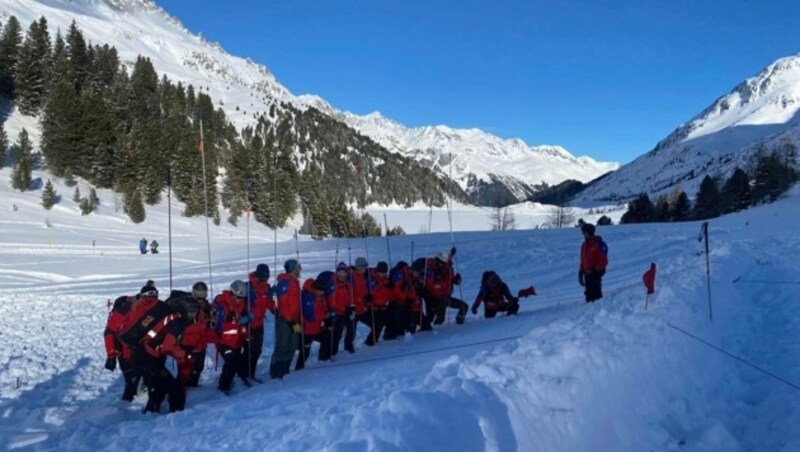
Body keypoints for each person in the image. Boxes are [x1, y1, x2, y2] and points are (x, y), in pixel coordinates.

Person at [116, 286, 189, 413]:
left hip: (139, 354)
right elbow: (168, 345)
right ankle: (177, 414)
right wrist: (182, 356)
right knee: (171, 385)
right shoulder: (170, 316)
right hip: (148, 356)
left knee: (156, 384)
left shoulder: (143, 308)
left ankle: (151, 410)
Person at [165, 282, 213, 387]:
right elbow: (183, 328)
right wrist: (202, 326)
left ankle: (193, 388)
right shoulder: (186, 306)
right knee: (185, 371)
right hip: (187, 343)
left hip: (200, 343)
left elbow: (206, 321)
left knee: (198, 369)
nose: (202, 296)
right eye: (200, 293)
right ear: (194, 292)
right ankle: (179, 392)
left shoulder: (205, 305)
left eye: (204, 293)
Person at [212, 280, 250, 394]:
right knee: (230, 361)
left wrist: (244, 331)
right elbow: (216, 325)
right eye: (238, 297)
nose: (240, 300)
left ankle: (239, 378)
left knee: (239, 359)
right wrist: (235, 322)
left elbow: (243, 322)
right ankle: (223, 386)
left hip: (237, 339)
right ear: (232, 293)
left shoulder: (242, 304)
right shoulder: (222, 305)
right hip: (223, 340)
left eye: (242, 298)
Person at [103, 295, 141, 402]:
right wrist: (111, 356)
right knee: (132, 381)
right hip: (126, 354)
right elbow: (109, 333)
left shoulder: (140, 309)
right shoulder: (122, 311)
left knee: (139, 379)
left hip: (138, 352)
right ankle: (126, 407)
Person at [270, 259, 302, 379]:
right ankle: (276, 371)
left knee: (292, 345)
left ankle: (285, 368)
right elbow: (283, 305)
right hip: (285, 320)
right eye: (298, 268)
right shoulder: (284, 283)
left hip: (294, 319)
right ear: (293, 269)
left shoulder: (295, 282)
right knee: (282, 345)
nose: (300, 270)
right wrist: (290, 320)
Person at [296, 271, 334, 370]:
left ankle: (324, 359)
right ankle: (298, 369)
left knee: (327, 337)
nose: (323, 293)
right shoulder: (307, 296)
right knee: (305, 351)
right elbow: (310, 315)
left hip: (317, 328)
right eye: (322, 291)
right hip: (306, 329)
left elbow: (324, 309)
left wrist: (327, 318)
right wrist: (324, 317)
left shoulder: (320, 296)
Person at [244, 264, 275, 382]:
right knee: (248, 351)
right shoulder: (248, 287)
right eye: (263, 277)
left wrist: (275, 310)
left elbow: (269, 305)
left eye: (267, 277)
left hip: (259, 324)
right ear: (257, 275)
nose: (265, 280)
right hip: (248, 325)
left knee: (257, 350)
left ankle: (251, 374)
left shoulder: (267, 288)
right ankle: (244, 374)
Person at [424, 248, 468, 325]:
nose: (444, 265)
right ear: (437, 261)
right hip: (437, 299)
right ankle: (435, 331)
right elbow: (432, 286)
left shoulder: (447, 268)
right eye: (442, 263)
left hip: (446, 298)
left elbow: (453, 278)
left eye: (445, 263)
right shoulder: (432, 270)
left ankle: (459, 324)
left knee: (464, 307)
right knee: (439, 319)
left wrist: (457, 280)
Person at [330, 262, 357, 354]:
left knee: (351, 329)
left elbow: (351, 297)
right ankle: (333, 352)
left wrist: (352, 307)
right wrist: (344, 309)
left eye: (344, 273)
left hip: (347, 310)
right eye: (340, 273)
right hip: (337, 312)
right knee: (337, 333)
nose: (342, 275)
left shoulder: (348, 284)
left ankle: (349, 346)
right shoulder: (333, 284)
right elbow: (332, 302)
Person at [363, 261, 392, 346]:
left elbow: (388, 293)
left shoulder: (386, 280)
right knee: (377, 325)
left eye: (384, 272)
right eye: (381, 272)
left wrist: (389, 287)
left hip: (383, 306)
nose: (383, 274)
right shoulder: (371, 279)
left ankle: (389, 339)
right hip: (373, 307)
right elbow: (368, 291)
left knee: (390, 321)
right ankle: (370, 343)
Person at [579, 223, 609, 303]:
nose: (583, 234)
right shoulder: (584, 245)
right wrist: (581, 272)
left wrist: (595, 271)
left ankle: (599, 310)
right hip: (587, 275)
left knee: (596, 296)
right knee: (588, 296)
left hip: (595, 274)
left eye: (584, 232)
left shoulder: (599, 244)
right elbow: (583, 260)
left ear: (589, 232)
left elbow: (604, 260)